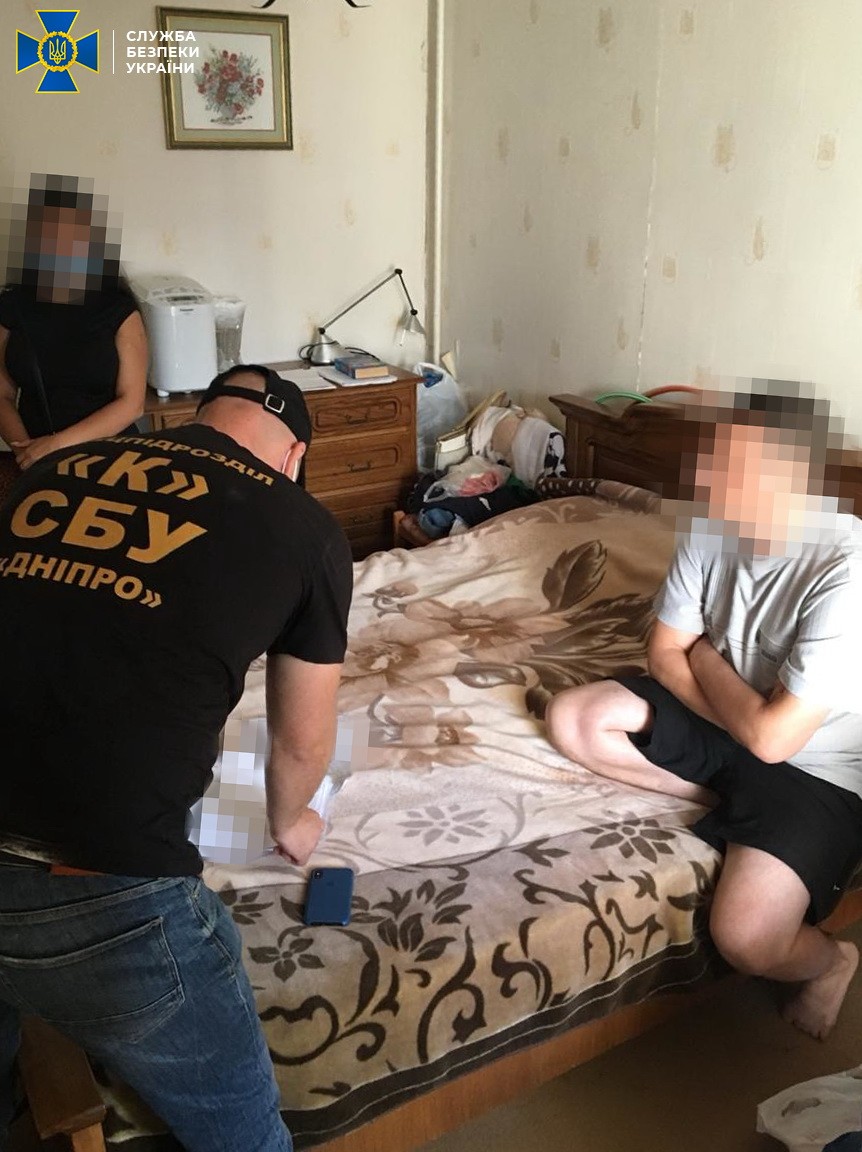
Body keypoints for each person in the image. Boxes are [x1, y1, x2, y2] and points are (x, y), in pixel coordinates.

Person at [0, 364, 353, 1152]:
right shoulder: (305, 526)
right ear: (294, 456)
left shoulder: (55, 469)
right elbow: (301, 741)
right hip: (92, 884)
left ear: (198, 417)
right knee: (245, 1136)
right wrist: (292, 820)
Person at [546, 383, 862, 1041]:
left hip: (815, 767)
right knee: (573, 717)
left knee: (748, 938)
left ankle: (834, 962)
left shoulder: (844, 569)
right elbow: (664, 652)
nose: (710, 482)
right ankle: (724, 799)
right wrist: (731, 706)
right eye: (713, 462)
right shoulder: (711, 522)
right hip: (731, 724)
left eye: (734, 468)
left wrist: (707, 657)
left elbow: (775, 741)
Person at [0, 172, 148, 472]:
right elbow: (2, 395)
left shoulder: (117, 308)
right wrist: (27, 452)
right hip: (34, 460)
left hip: (111, 457)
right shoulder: (11, 306)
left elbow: (132, 403)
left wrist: (54, 446)